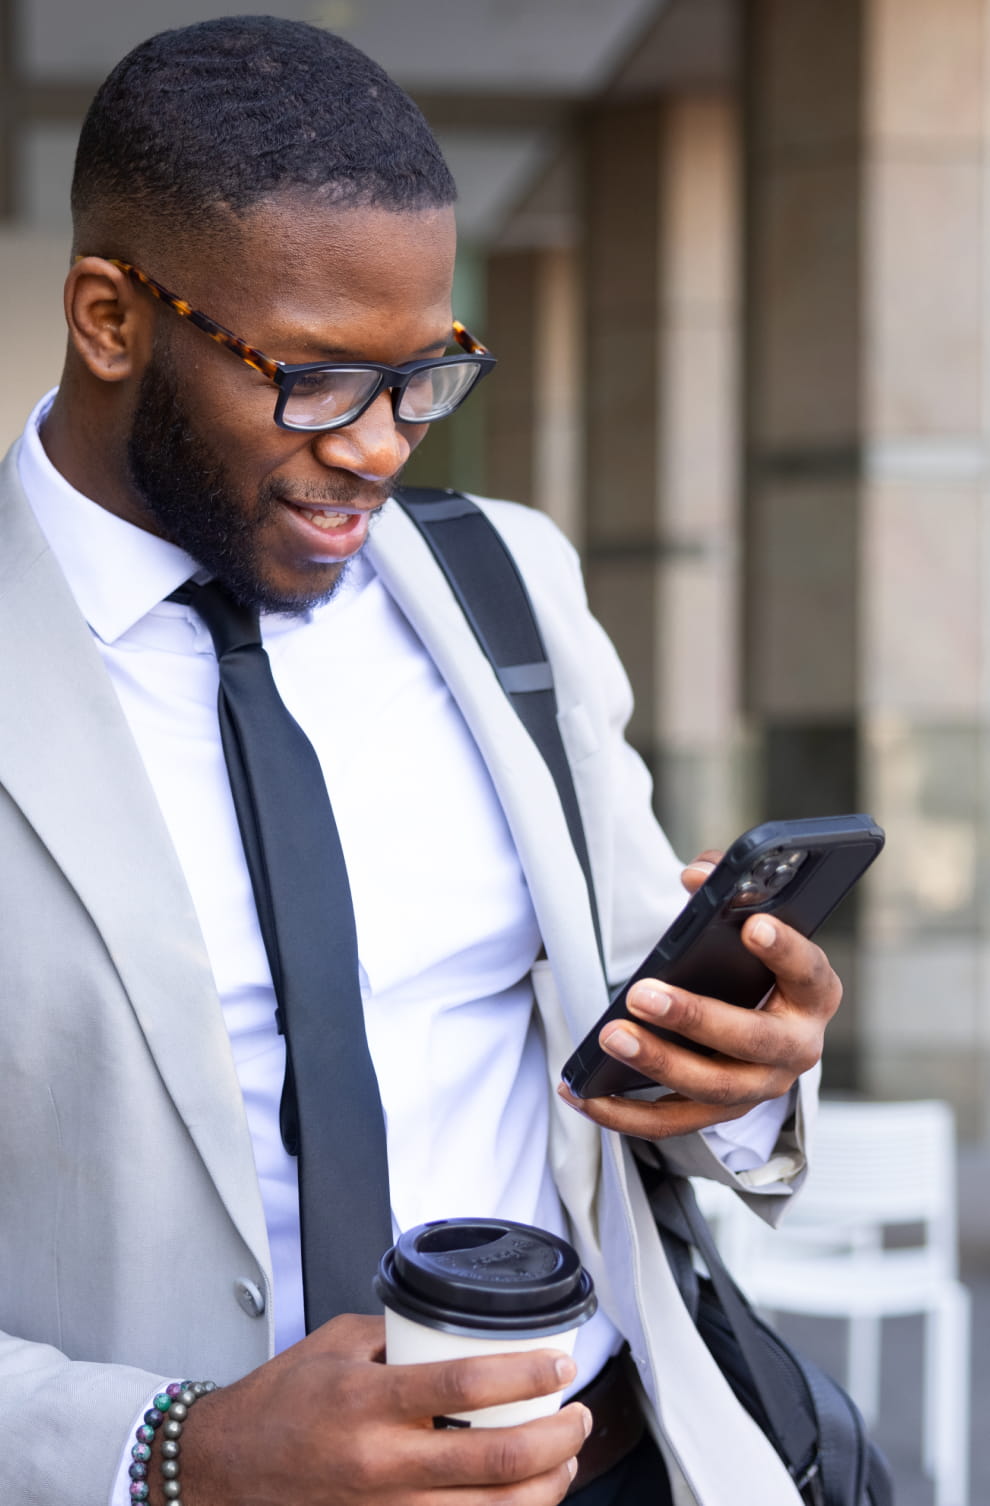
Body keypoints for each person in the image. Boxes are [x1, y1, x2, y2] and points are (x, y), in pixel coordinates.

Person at [0, 17, 839, 1506]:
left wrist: (741, 1078)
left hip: (605, 1456)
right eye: (315, 376)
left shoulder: (510, 582)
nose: (385, 448)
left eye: (425, 373)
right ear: (110, 319)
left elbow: (626, 1037)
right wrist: (168, 1452)